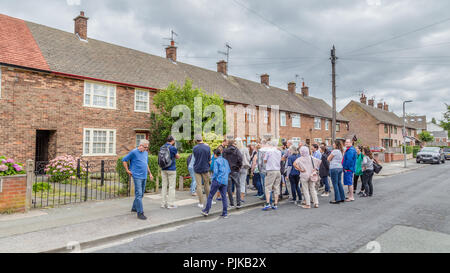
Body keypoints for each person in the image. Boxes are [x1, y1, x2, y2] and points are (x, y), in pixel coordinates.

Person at [122, 139, 153, 220]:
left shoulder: (145, 153)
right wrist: (127, 170)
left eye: (147, 147)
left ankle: (134, 208)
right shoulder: (134, 152)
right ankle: (140, 213)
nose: (146, 149)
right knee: (139, 194)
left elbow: (146, 164)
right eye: (145, 147)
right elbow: (124, 160)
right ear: (141, 145)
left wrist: (150, 173)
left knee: (141, 194)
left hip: (144, 175)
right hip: (137, 176)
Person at [202, 149, 231, 219]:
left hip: (217, 180)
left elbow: (215, 172)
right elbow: (229, 170)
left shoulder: (216, 161)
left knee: (210, 195)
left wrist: (212, 179)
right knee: (224, 197)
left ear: (215, 154)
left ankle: (206, 211)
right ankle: (225, 213)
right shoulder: (225, 161)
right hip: (224, 181)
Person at [160, 136, 181, 209]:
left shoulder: (162, 147)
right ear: (173, 141)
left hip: (163, 169)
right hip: (171, 169)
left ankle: (163, 203)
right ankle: (170, 204)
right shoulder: (173, 148)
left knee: (164, 186)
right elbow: (178, 157)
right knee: (171, 187)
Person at [262, 140, 282, 211]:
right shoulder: (279, 152)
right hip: (278, 170)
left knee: (268, 187)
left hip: (271, 170)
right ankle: (275, 204)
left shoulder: (269, 151)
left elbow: (264, 160)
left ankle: (268, 204)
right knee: (276, 187)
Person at [223, 139, 243, 209]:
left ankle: (231, 203)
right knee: (238, 187)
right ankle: (238, 203)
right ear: (233, 144)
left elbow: (223, 161)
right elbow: (240, 159)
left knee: (229, 188)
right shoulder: (237, 150)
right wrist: (239, 166)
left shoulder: (225, 151)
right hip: (235, 170)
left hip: (227, 171)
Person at [193, 134, 212, 208]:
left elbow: (195, 157)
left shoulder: (194, 148)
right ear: (202, 139)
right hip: (205, 168)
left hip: (197, 168)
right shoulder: (207, 148)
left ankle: (201, 203)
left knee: (199, 186)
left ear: (196, 140)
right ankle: (209, 200)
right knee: (207, 185)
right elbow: (209, 160)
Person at [236, 138, 251, 203]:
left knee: (238, 182)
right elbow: (249, 158)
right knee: (243, 182)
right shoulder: (245, 149)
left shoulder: (236, 149)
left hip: (238, 167)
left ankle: (238, 196)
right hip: (245, 167)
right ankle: (242, 197)